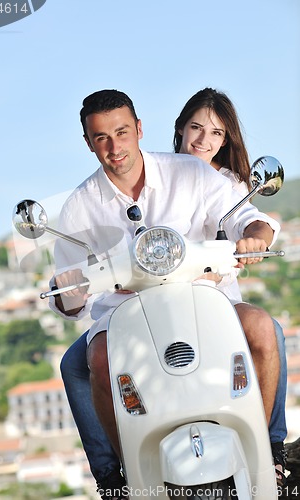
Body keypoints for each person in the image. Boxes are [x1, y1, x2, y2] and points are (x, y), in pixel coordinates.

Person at [53, 89, 282, 499]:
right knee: (98, 358)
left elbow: (245, 215)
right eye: (101, 137)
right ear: (88, 143)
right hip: (125, 316)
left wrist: (254, 235)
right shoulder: (78, 208)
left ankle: (266, 454)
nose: (114, 146)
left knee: (263, 328)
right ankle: (127, 477)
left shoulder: (190, 173)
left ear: (139, 129)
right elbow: (70, 295)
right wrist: (66, 292)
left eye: (122, 132)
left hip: (204, 300)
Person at [173, 87, 287, 485]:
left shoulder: (228, 185)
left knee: (266, 328)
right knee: (77, 364)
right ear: (180, 128)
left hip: (214, 302)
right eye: (196, 128)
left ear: (227, 140)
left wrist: (256, 239)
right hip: (157, 304)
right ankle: (111, 473)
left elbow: (253, 219)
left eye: (217, 133)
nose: (204, 140)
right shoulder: (155, 177)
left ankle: (268, 446)